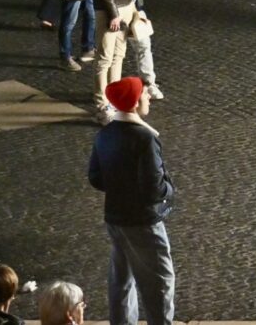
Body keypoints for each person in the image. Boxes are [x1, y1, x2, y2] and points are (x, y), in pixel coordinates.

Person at [86, 77, 174, 325]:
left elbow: (96, 177)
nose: (148, 98)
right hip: (142, 222)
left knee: (122, 281)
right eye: (145, 95)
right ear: (135, 103)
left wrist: (119, 186)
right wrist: (170, 189)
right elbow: (153, 187)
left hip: (115, 217)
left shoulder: (105, 134)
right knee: (159, 283)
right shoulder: (144, 138)